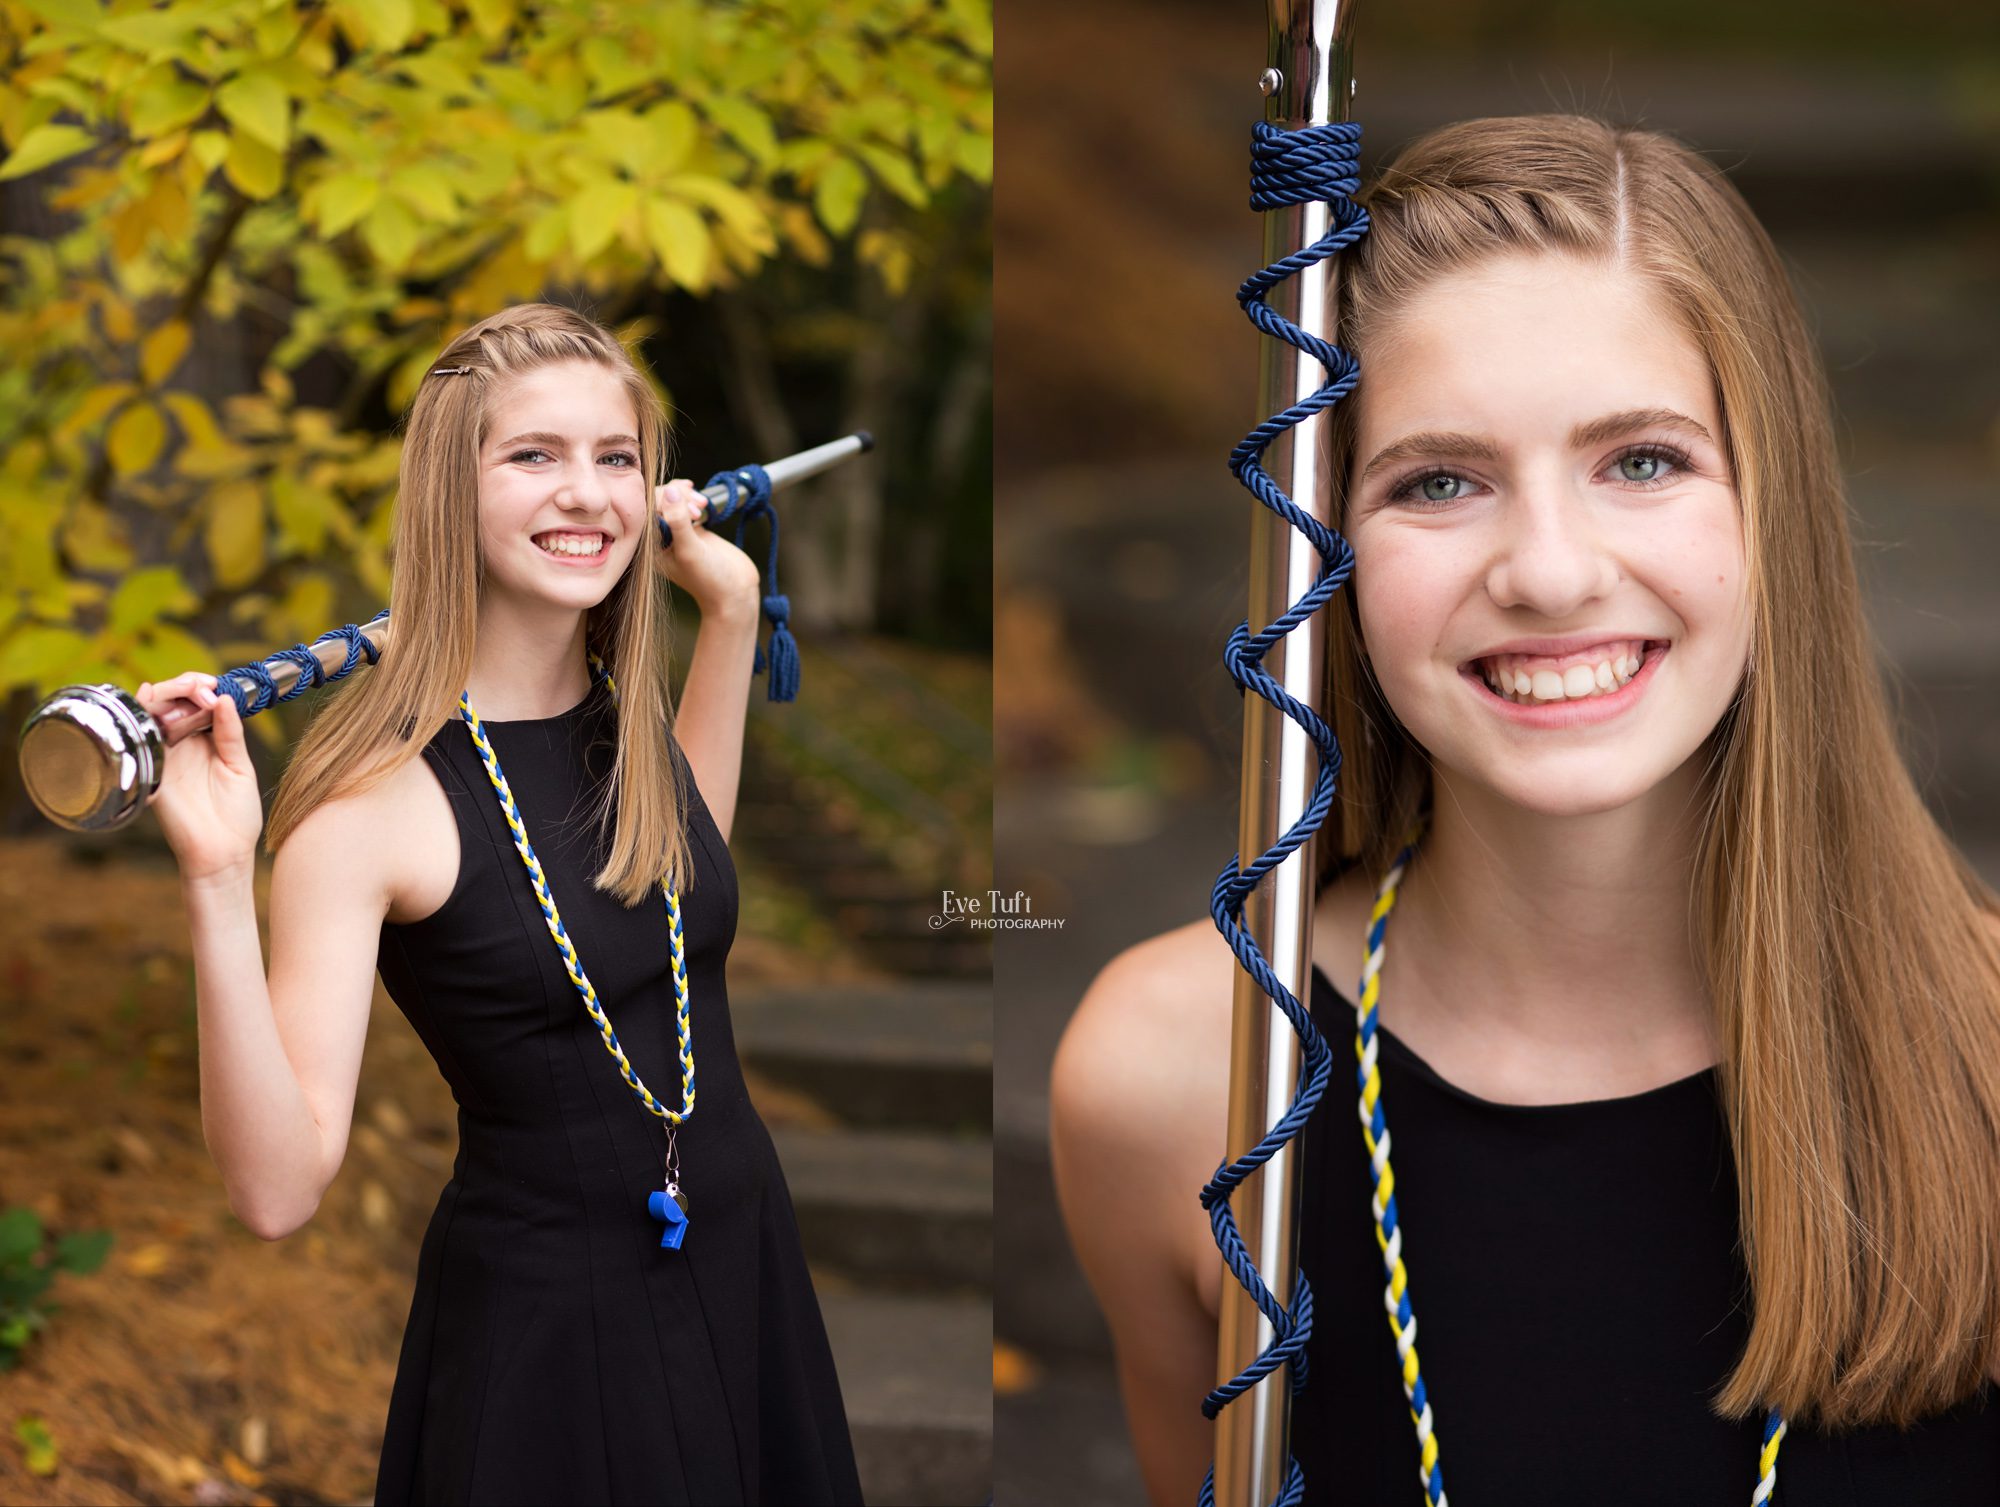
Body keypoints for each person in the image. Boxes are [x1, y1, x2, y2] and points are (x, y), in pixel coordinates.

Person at [1051, 114, 2000, 1506]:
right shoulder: (1185, 1076)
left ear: (1770, 504)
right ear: (1328, 555)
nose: (1550, 571)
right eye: (1437, 480)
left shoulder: (1982, 1044)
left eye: (1643, 460)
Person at [138, 303, 864, 1505]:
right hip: (554, 1352)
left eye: (615, 456)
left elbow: (672, 896)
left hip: (741, 1270)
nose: (586, 494)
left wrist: (728, 619)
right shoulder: (372, 809)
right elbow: (277, 1190)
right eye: (533, 455)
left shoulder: (619, 720)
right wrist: (217, 879)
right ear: (448, 491)